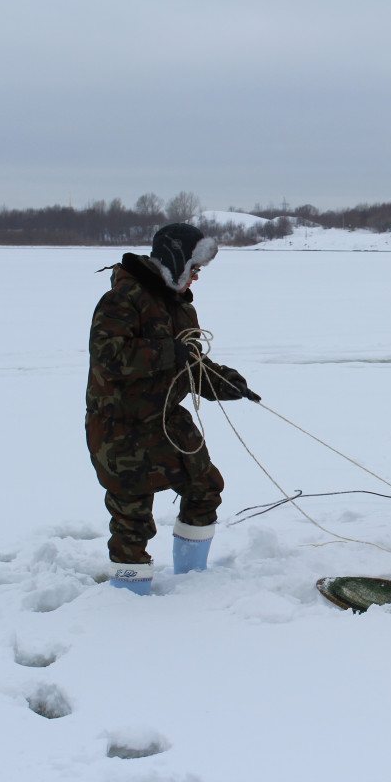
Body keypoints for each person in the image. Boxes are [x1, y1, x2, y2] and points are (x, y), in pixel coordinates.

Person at [86, 223, 257, 594]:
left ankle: (192, 582)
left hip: (165, 421)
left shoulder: (178, 306)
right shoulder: (123, 298)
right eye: (194, 270)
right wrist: (166, 352)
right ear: (177, 263)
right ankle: (127, 597)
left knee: (205, 487)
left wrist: (225, 382)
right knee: (131, 519)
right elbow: (108, 356)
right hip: (120, 429)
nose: (197, 278)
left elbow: (189, 364)